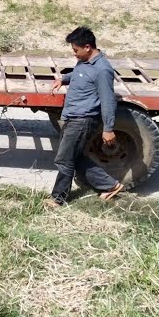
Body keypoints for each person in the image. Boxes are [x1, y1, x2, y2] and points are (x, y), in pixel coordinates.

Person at [45, 26, 125, 207]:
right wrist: (63, 79)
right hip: (73, 117)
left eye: (76, 50)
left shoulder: (103, 70)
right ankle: (110, 185)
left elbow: (107, 100)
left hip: (82, 120)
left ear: (87, 47)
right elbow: (80, 74)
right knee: (75, 157)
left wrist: (108, 128)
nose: (74, 54)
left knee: (64, 159)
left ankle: (58, 198)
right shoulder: (85, 61)